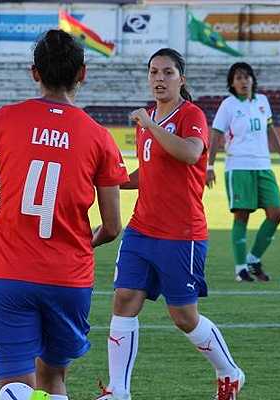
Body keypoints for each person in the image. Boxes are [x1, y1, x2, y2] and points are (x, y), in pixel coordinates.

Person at [0, 29, 129, 400]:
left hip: (11, 274)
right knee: (54, 380)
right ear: (83, 74)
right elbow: (114, 225)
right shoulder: (99, 137)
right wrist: (83, 243)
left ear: (34, 73)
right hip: (69, 277)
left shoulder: (7, 119)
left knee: (15, 386)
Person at [96, 49, 244, 400]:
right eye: (153, 72)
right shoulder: (149, 117)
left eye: (167, 72)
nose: (159, 79)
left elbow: (191, 153)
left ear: (182, 78)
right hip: (141, 229)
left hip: (182, 235)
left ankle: (230, 372)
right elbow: (147, 174)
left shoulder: (190, 114)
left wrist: (150, 125)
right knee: (124, 299)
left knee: (183, 316)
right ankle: (118, 390)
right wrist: (110, 179)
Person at [207, 62, 280, 282]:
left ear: (253, 80)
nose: (243, 81)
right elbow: (216, 135)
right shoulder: (228, 105)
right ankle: (240, 269)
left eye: (246, 77)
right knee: (242, 216)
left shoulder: (262, 101)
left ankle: (254, 258)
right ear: (232, 83)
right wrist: (210, 166)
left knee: (276, 213)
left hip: (263, 166)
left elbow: (270, 129)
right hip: (239, 166)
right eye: (238, 78)